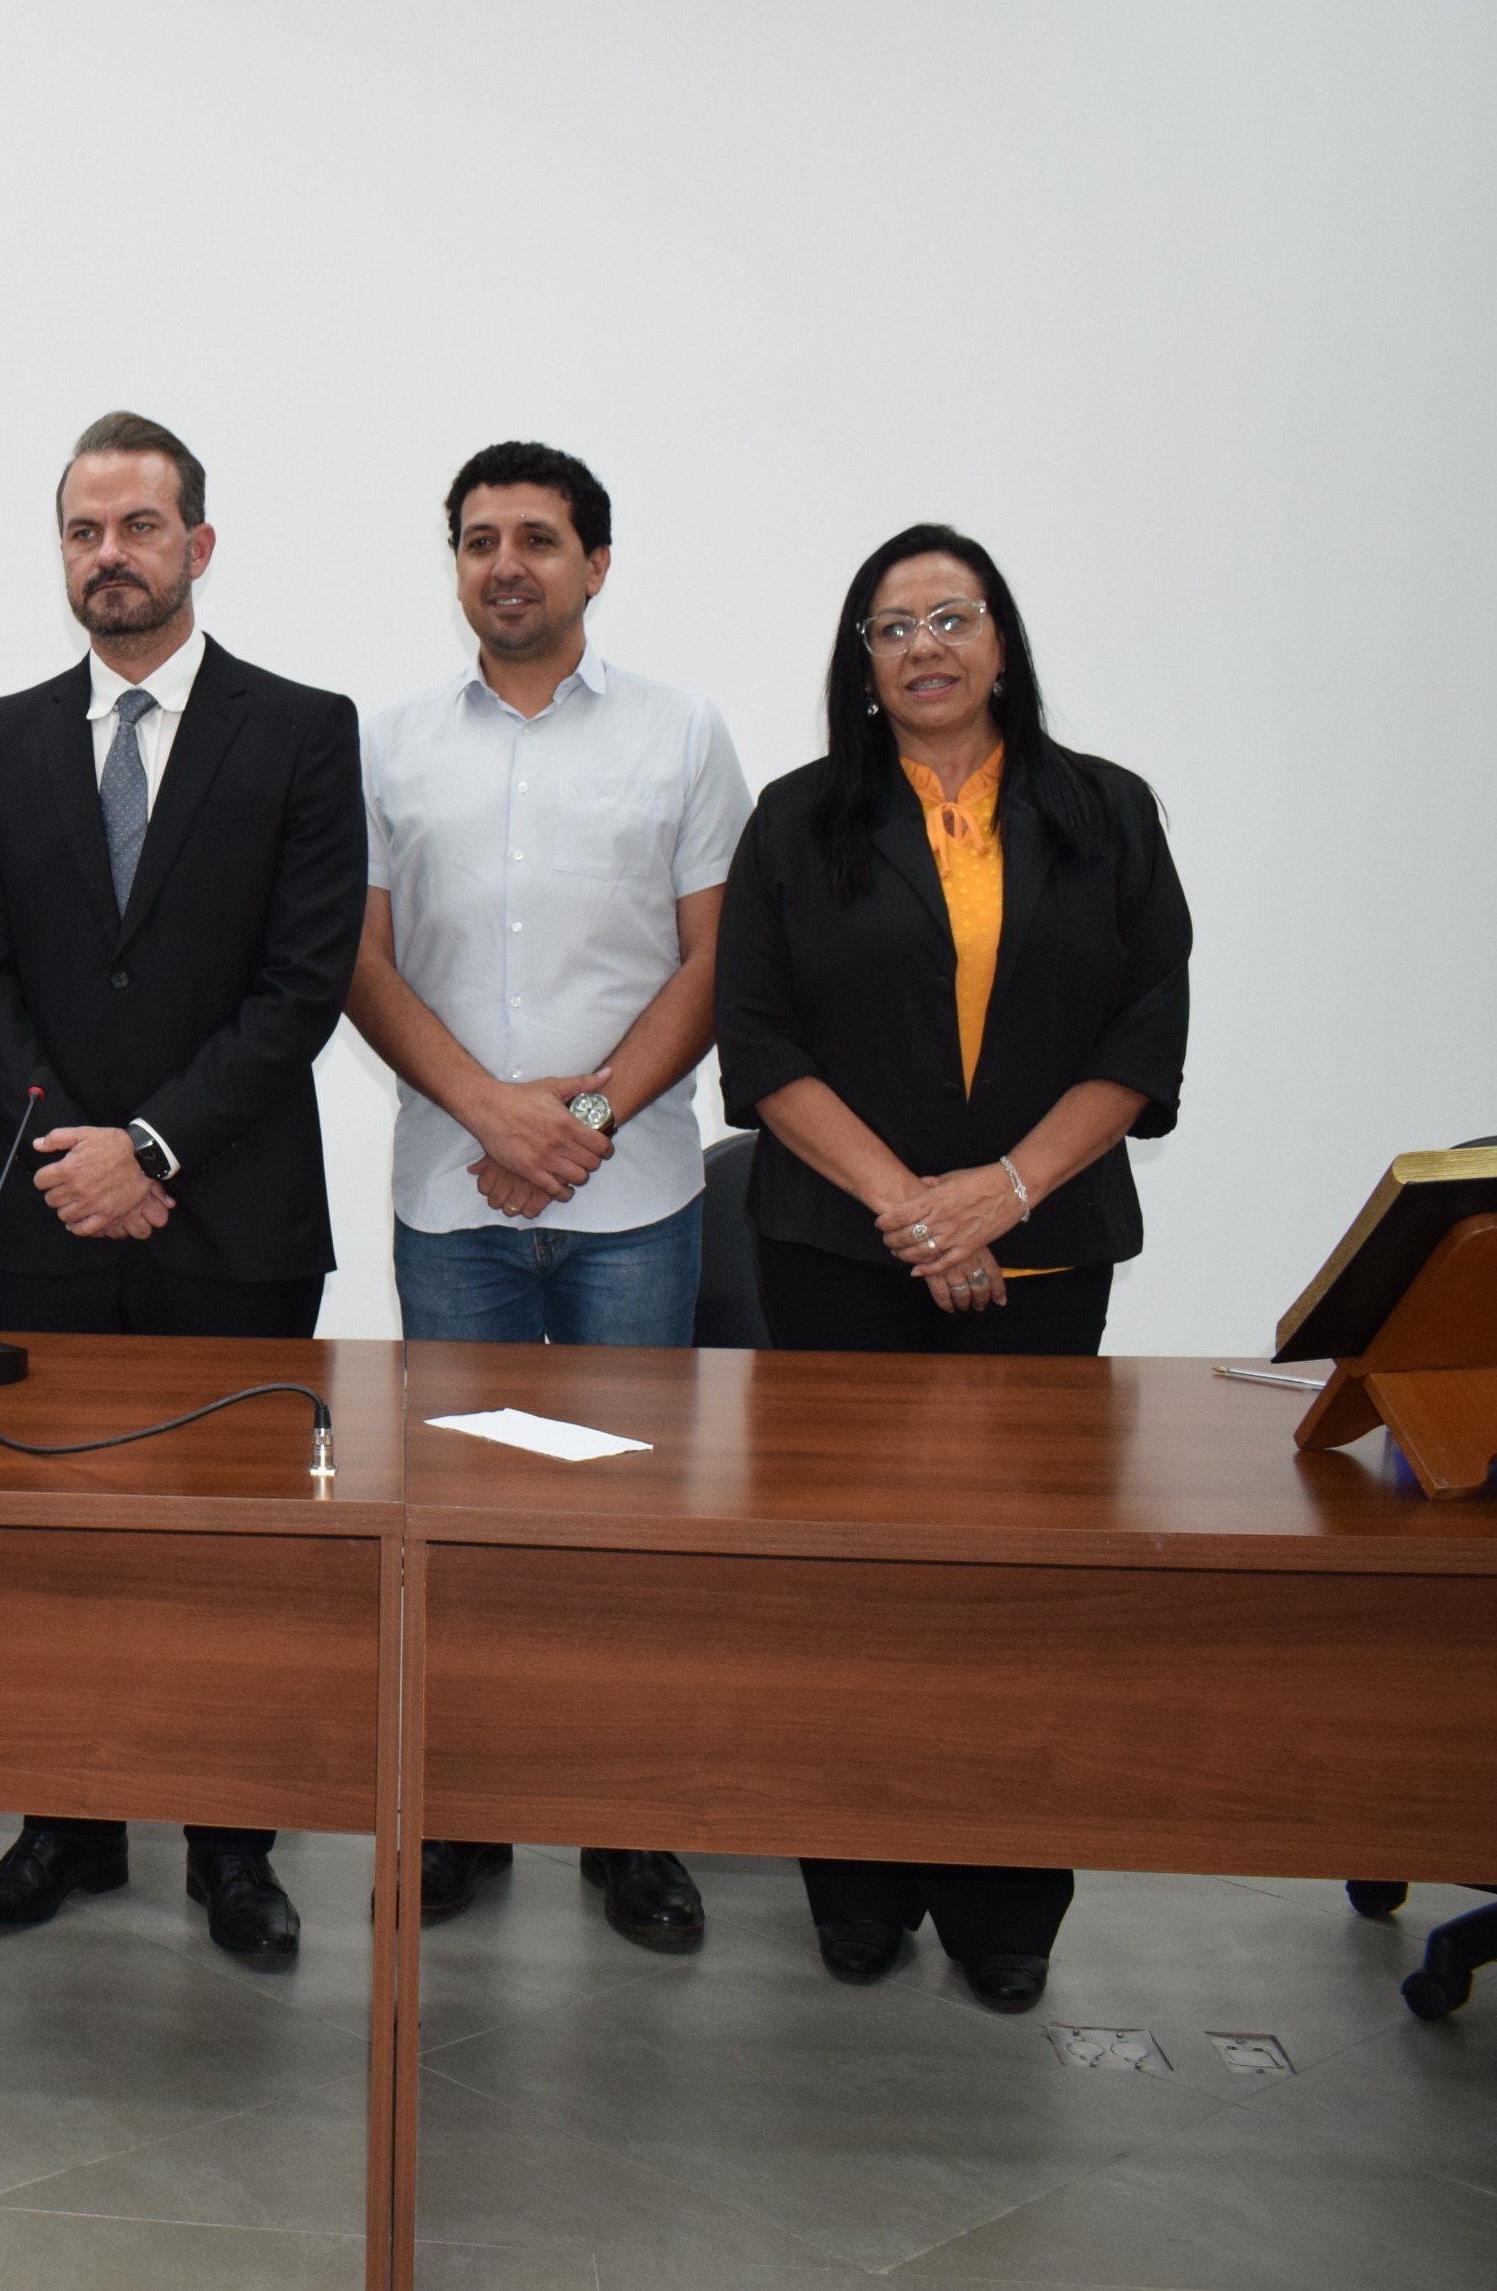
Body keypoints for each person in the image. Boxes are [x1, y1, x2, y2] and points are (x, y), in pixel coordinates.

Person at [716, 521, 1192, 2011]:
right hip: (837, 1261)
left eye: (951, 617)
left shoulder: (1106, 812)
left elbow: (1141, 1035)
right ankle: (855, 1886)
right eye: (890, 626)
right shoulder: (799, 822)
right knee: (851, 1589)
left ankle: (1004, 1908)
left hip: (1046, 1259)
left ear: (1002, 643)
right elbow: (763, 1043)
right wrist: (913, 1214)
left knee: (1013, 1594)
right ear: (860, 667)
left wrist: (999, 1194)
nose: (923, 646)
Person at [0, 411, 365, 1959]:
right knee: (59, 1548)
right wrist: (75, 1152)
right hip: (48, 1209)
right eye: (81, 530)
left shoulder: (304, 729)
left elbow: (302, 980)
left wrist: (156, 1149)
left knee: (231, 1553)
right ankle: (66, 1829)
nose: (107, 556)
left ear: (199, 543)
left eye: (137, 526)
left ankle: (232, 1850)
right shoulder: (0, 732)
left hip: (232, 1213)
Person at [345, 442, 749, 1952]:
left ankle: (630, 1825)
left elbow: (716, 961)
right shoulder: (387, 744)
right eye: (476, 539)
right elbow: (361, 964)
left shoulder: (682, 733)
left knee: (624, 1532)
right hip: (451, 1201)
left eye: (537, 538)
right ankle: (460, 1813)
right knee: (451, 1522)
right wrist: (489, 1112)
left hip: (630, 1199)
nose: (504, 563)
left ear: (595, 562)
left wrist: (575, 1119)